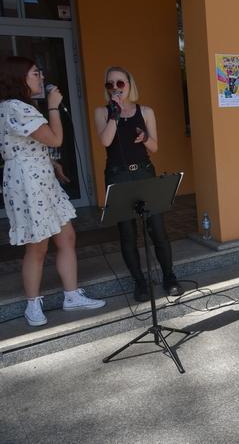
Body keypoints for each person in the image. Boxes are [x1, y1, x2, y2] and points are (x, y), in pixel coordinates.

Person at [0, 56, 105, 326]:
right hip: (29, 183)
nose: (41, 78)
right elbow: (56, 138)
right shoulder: (16, 108)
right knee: (38, 246)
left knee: (66, 237)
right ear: (19, 78)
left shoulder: (18, 107)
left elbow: (30, 144)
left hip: (41, 177)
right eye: (35, 73)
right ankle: (32, 305)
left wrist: (51, 163)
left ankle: (71, 295)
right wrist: (54, 106)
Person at [94, 66, 183, 302]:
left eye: (120, 83)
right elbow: (106, 141)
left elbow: (155, 146)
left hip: (144, 172)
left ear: (129, 84)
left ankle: (169, 276)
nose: (115, 88)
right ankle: (140, 283)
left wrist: (144, 138)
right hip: (118, 175)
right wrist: (115, 114)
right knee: (127, 233)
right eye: (110, 84)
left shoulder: (145, 111)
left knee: (157, 228)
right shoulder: (102, 112)